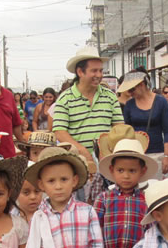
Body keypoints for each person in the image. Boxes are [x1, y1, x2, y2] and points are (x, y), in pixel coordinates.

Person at [53, 47, 124, 175]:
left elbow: (119, 127)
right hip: (77, 164)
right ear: (80, 72)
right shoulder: (65, 99)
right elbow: (60, 132)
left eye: (101, 71)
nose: (99, 75)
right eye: (94, 71)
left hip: (107, 163)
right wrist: (82, 151)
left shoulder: (110, 96)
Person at [118, 71, 168, 179]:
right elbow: (127, 130)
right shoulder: (129, 105)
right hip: (136, 154)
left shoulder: (161, 102)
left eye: (132, 89)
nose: (130, 93)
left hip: (157, 153)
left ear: (141, 85)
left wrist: (167, 156)